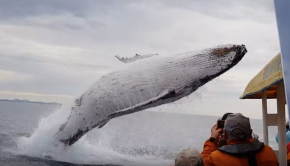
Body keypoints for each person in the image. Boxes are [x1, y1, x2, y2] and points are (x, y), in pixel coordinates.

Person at [201, 113, 278, 166]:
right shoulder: (268, 152)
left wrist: (212, 139)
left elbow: (200, 163)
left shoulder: (216, 158)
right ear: (250, 132)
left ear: (224, 133)